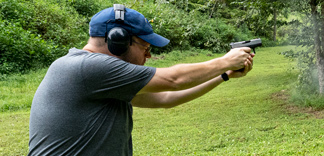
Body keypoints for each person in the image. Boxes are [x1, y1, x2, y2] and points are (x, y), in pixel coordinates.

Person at [28, 4, 254, 155]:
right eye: (145, 47)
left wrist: (223, 76)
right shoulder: (88, 67)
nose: (148, 55)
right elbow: (174, 79)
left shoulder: (101, 77)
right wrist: (225, 61)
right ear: (118, 40)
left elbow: (165, 97)